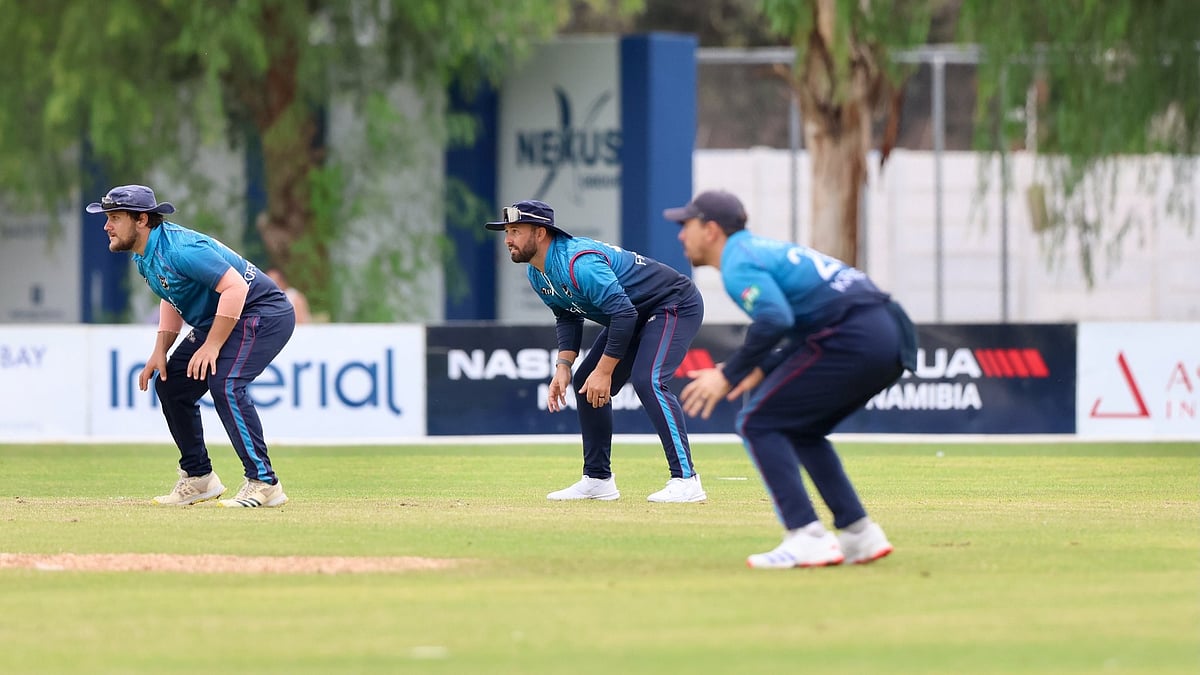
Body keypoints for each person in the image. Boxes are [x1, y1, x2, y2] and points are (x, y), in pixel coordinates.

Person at [664, 190, 917, 568]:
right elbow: (801, 320)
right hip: (890, 333)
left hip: (856, 333)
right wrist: (761, 369)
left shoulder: (737, 261)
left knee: (758, 422)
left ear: (711, 230)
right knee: (801, 430)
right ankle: (859, 533)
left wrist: (728, 375)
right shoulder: (758, 249)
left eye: (687, 225)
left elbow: (775, 319)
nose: (681, 235)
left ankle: (806, 535)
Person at [87, 185, 297, 508]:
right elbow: (171, 294)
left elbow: (236, 288)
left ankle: (264, 482)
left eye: (114, 217)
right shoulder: (145, 256)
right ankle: (199, 478)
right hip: (221, 316)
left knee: (225, 382)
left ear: (142, 220)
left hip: (262, 311)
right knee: (172, 385)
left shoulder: (182, 249)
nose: (106, 226)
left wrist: (212, 346)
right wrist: (161, 350)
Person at [486, 200, 707, 503]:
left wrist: (605, 371)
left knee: (648, 381)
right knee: (583, 381)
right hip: (633, 314)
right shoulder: (537, 273)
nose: (508, 239)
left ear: (540, 233)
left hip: (673, 304)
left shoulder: (579, 263)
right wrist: (563, 366)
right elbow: (567, 315)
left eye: (515, 231)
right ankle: (598, 479)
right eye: (506, 232)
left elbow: (625, 315)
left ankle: (686, 479)